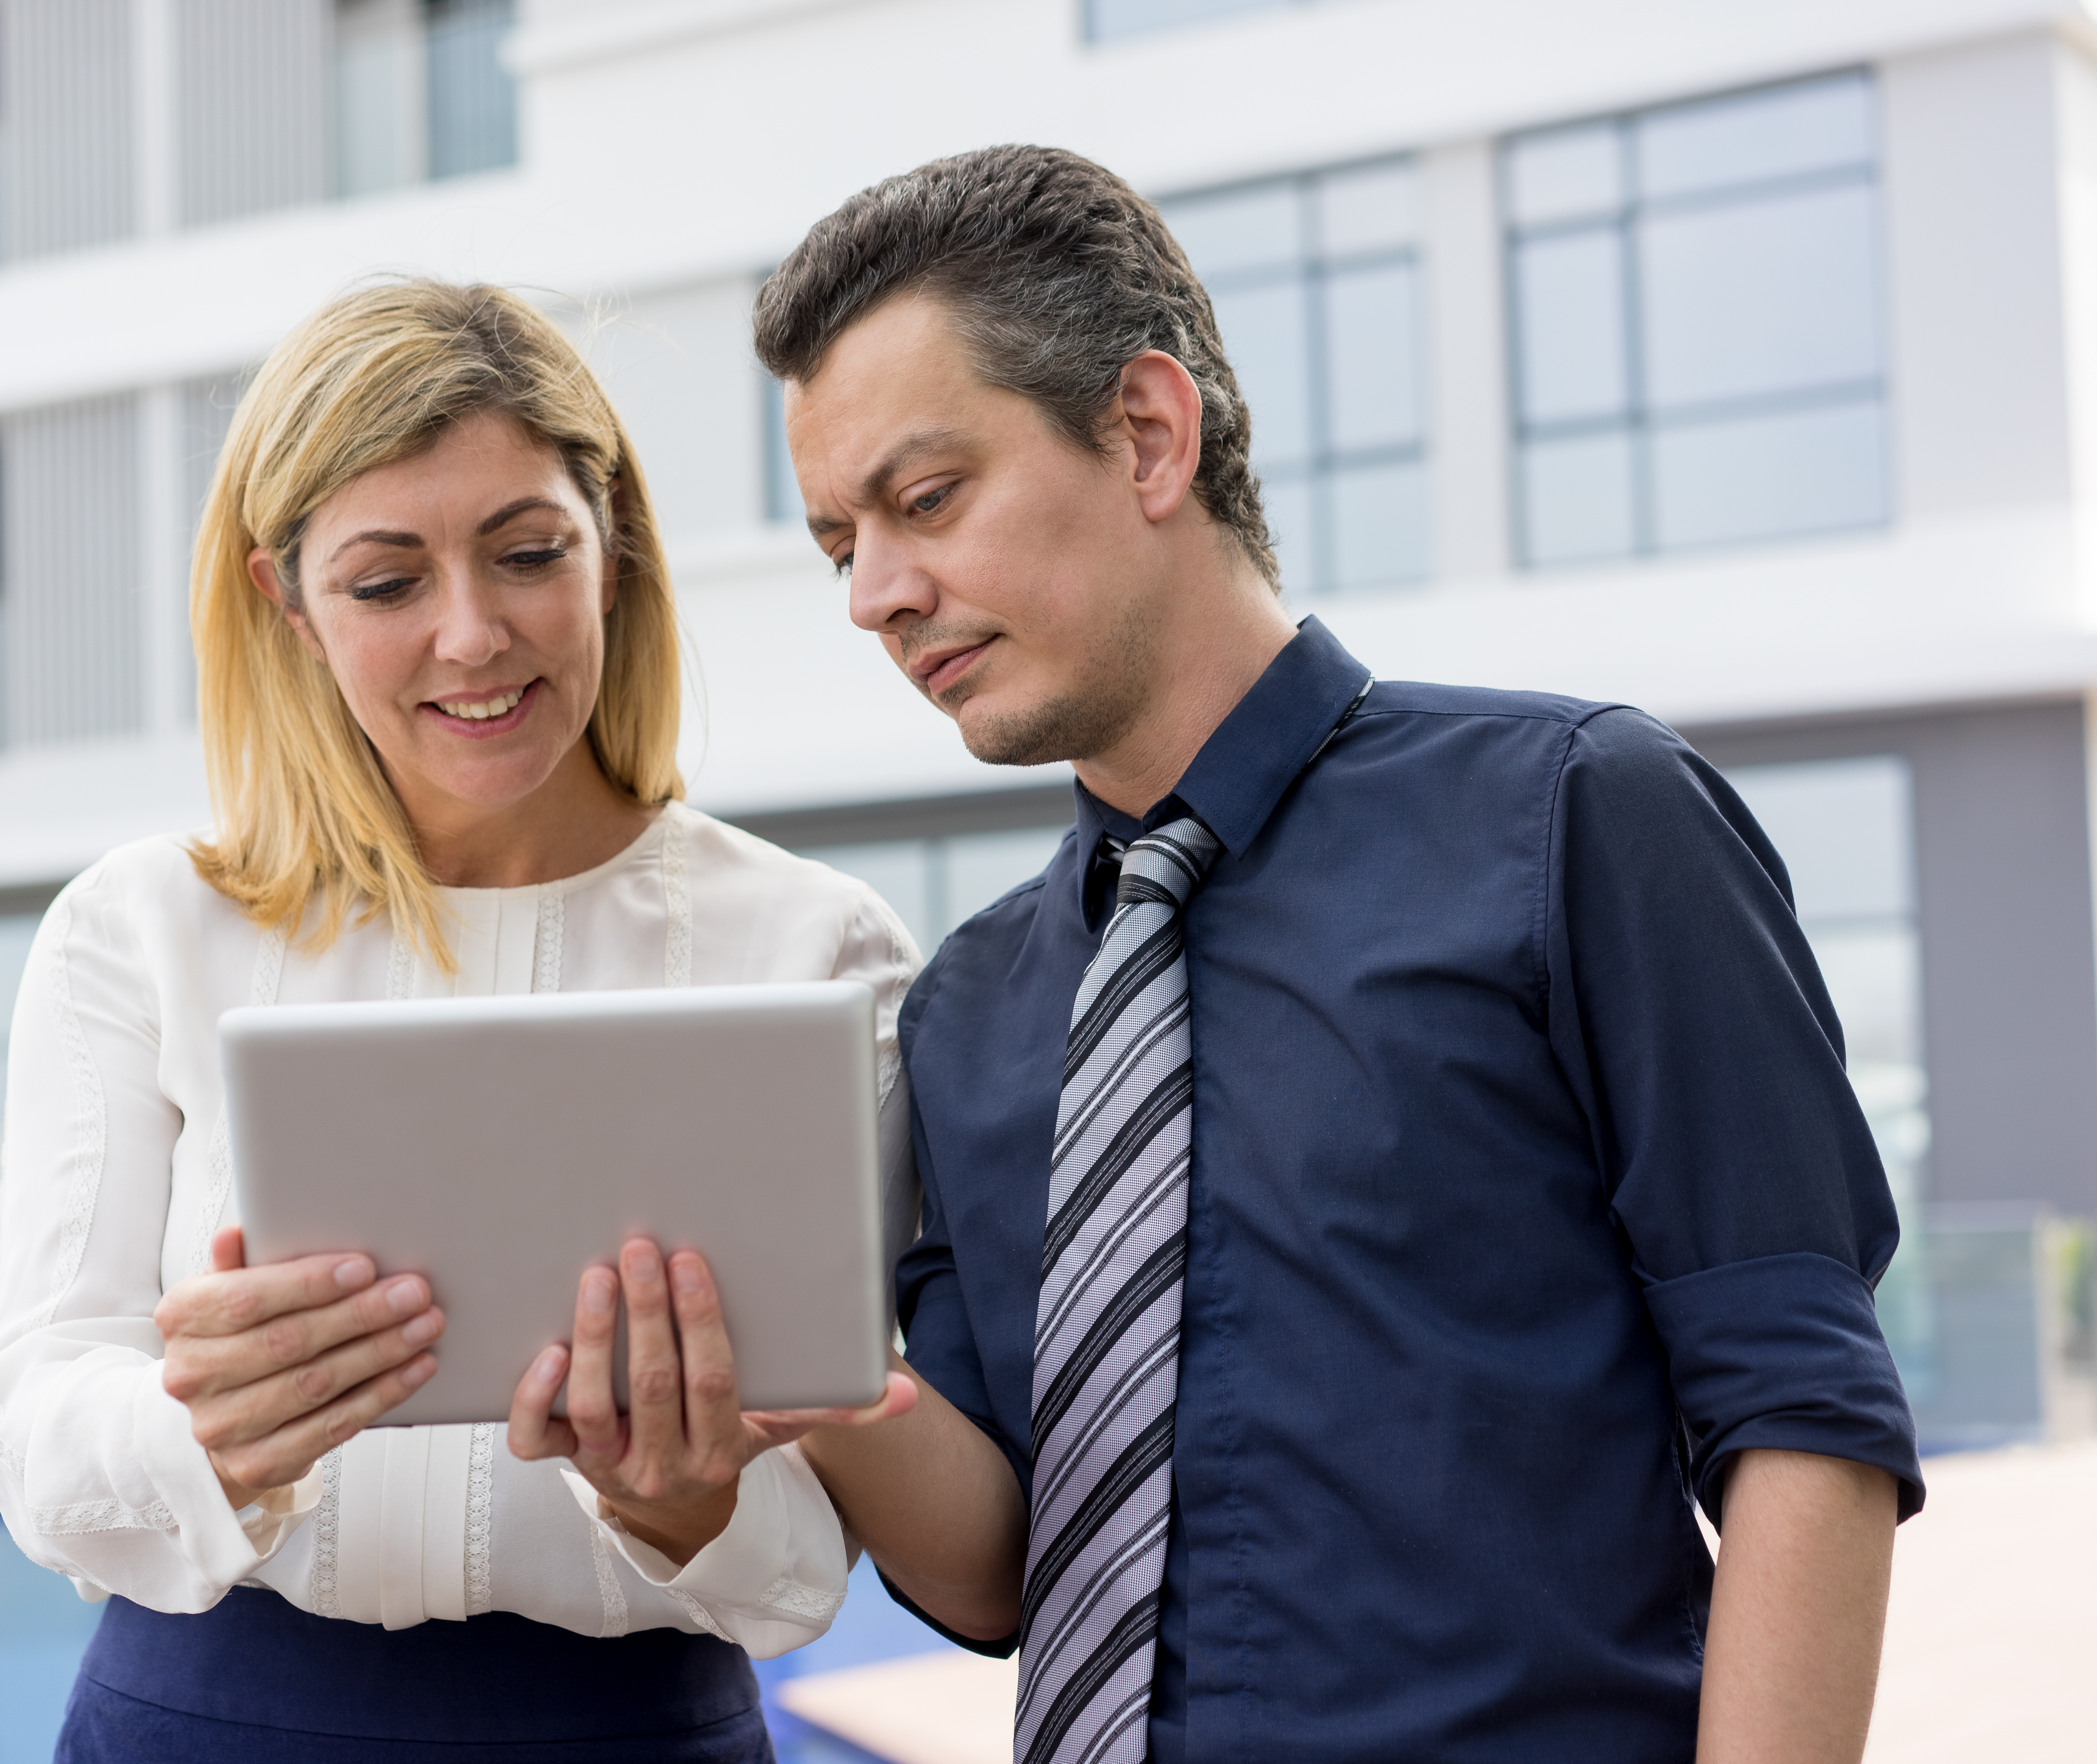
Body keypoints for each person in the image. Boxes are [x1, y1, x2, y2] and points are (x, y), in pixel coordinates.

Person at [757, 146, 1922, 1764]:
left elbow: (1800, 1416)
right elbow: (997, 1570)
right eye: (837, 546)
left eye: (925, 499)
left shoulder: (1583, 818)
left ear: (1148, 433)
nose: (878, 595)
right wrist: (798, 1365)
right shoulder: (970, 1008)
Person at [0, 280, 920, 1763]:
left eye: (527, 554)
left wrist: (685, 1494)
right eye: (386, 582)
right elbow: (31, 1414)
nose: (471, 638)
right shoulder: (140, 930)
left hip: (631, 1735)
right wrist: (199, 1423)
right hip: (201, 1725)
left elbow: (824, 1532)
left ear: (613, 553)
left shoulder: (812, 947)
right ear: (291, 605)